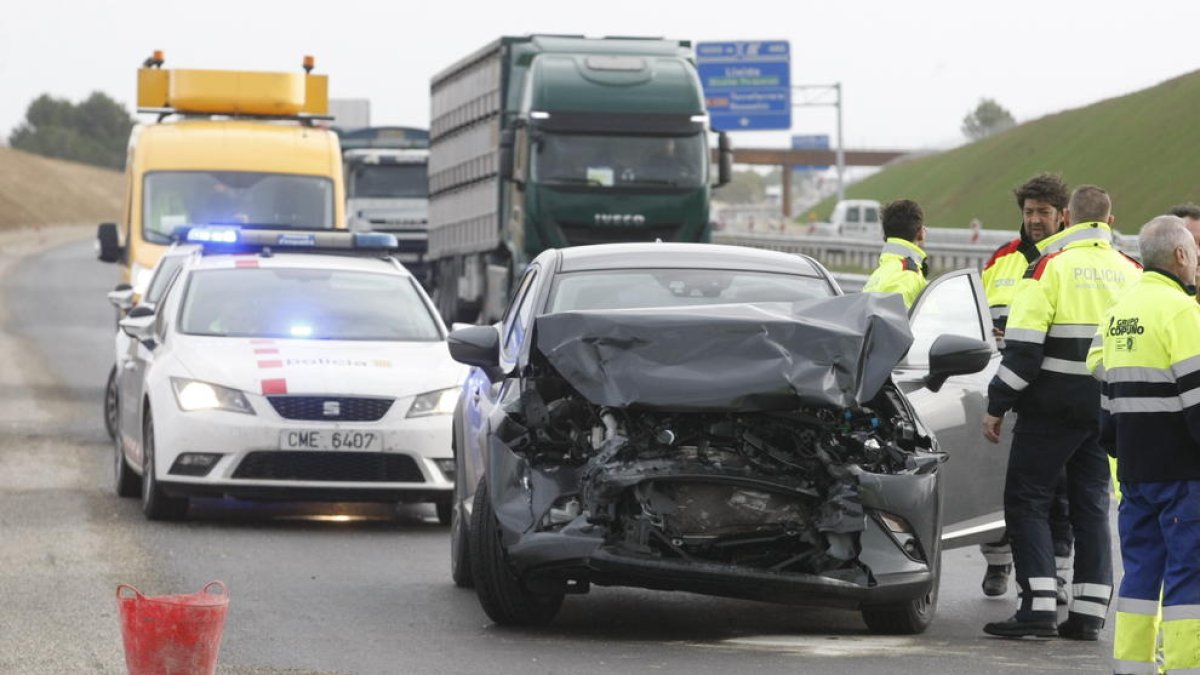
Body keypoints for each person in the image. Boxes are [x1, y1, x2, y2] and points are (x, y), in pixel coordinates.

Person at [981, 185, 1142, 639]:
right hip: (1107, 406)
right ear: (1109, 223)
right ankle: (1089, 615)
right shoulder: (1131, 269)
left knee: (1027, 500)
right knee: (1091, 507)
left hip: (1050, 408)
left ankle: (1037, 607)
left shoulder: (1048, 266)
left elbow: (1025, 351)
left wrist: (997, 404)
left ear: (1068, 217)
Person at [1087, 215, 1200, 673]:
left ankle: (1131, 666)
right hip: (1183, 472)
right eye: (1193, 252)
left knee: (1140, 576)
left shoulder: (1119, 311)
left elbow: (1104, 378)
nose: (1196, 262)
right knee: (1188, 577)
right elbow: (1197, 399)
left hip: (1134, 470)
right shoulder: (1181, 312)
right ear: (1179, 256)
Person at [978, 174, 1076, 602]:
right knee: (997, 485)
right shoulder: (1001, 260)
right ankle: (998, 564)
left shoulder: (1069, 261)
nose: (1035, 220)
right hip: (997, 387)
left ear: (1062, 215)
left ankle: (1056, 578)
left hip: (1051, 395)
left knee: (1059, 494)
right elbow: (977, 321)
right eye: (1029, 212)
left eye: (1044, 212)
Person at [861, 199, 928, 309]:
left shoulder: (881, 272)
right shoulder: (908, 275)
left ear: (885, 234)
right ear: (920, 233)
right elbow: (899, 324)